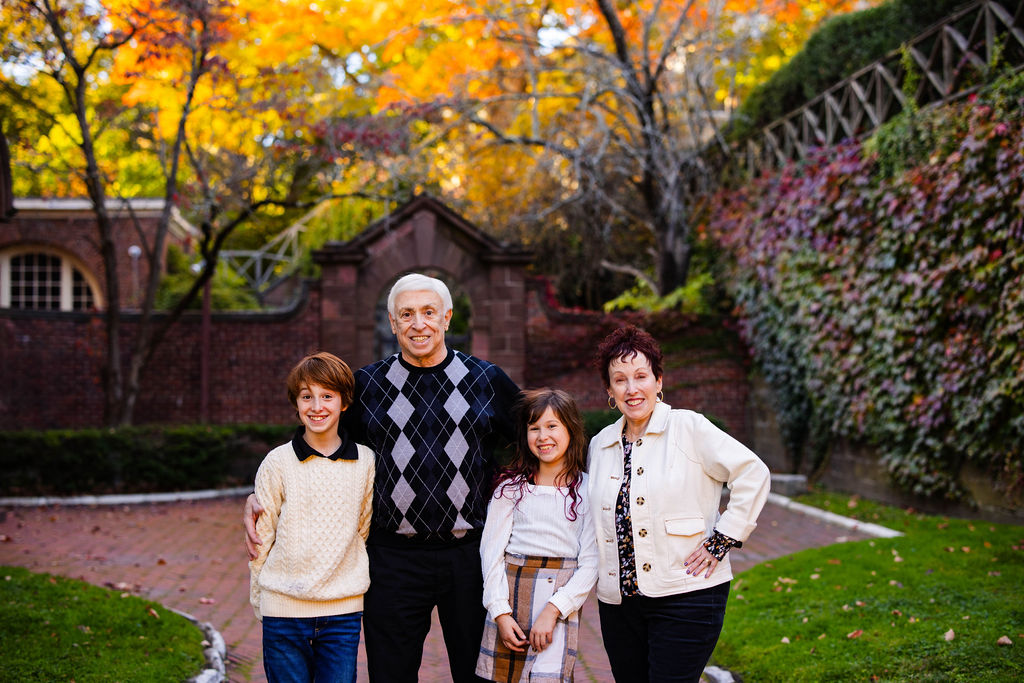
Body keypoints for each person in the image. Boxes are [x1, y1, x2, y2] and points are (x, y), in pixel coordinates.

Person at [245, 273, 519, 682]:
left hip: (470, 555)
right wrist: (261, 494)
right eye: (406, 314)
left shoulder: (487, 380)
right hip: (392, 558)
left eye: (428, 312)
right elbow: (319, 435)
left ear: (446, 318)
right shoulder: (367, 386)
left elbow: (537, 441)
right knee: (391, 674)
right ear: (393, 323)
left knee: (479, 674)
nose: (418, 323)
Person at [588, 325, 770, 683]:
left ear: (658, 381)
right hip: (619, 605)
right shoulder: (600, 444)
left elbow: (753, 472)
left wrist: (722, 539)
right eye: (620, 379)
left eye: (641, 376)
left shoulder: (689, 428)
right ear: (609, 390)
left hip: (688, 595)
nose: (632, 388)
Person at [248, 351, 375, 683]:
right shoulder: (277, 463)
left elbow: (362, 529)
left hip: (342, 613)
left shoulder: (365, 462)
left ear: (344, 403)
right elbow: (261, 539)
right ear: (297, 403)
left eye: (327, 396)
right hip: (283, 613)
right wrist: (260, 600)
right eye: (307, 396)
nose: (316, 406)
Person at [476, 388, 598, 683]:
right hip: (510, 599)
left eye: (552, 426)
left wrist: (554, 610)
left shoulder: (589, 490)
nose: (543, 436)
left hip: (558, 604)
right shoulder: (510, 490)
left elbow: (591, 563)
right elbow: (490, 555)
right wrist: (500, 613)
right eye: (534, 428)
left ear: (571, 428)